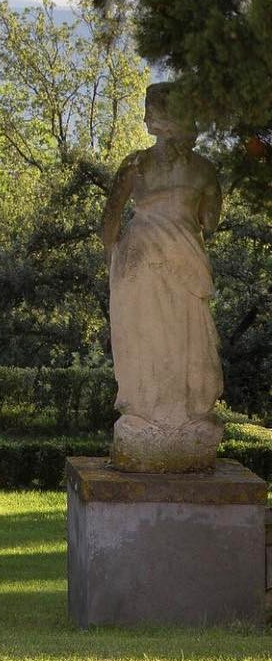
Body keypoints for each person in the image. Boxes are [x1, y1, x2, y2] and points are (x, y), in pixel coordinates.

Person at [102, 82, 223, 472]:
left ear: (160, 119)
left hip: (145, 259)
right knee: (174, 338)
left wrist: (115, 257)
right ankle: (168, 417)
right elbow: (210, 222)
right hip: (167, 260)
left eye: (149, 110)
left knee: (154, 338)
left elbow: (107, 224)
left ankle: (159, 419)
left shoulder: (136, 164)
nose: (145, 117)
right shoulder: (204, 169)